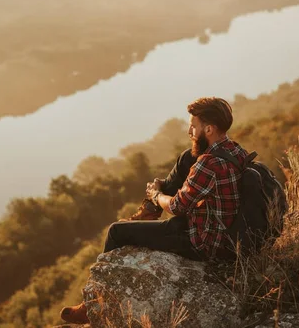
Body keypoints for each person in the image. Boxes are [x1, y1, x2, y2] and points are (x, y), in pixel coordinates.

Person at [60, 97, 248, 324]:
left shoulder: (207, 165)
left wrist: (156, 195)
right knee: (186, 157)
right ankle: (149, 211)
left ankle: (94, 306)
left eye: (193, 126)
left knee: (117, 231)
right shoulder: (234, 149)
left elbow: (178, 207)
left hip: (202, 242)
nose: (189, 130)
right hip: (221, 229)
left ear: (208, 129)